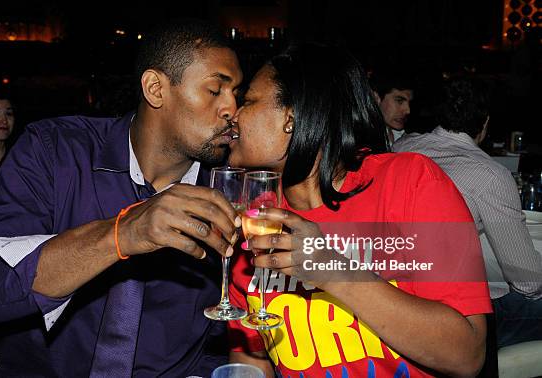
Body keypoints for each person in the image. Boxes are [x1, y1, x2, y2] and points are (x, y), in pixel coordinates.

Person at [0, 18, 243, 376]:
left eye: (237, 93)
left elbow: (224, 338)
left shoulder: (229, 191)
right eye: (215, 90)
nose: (231, 109)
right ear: (155, 89)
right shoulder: (55, 152)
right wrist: (120, 234)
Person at [226, 43, 491, 377]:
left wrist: (332, 270)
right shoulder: (256, 220)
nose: (232, 113)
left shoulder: (407, 181)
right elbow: (252, 360)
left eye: (248, 100)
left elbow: (466, 355)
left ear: (293, 117)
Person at [394, 76, 542, 348]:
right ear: (485, 123)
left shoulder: (401, 148)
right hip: (455, 317)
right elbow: (527, 282)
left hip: (401, 297)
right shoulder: (489, 175)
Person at [369, 67, 415, 147]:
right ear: (376, 98)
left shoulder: (409, 138)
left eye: (409, 103)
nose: (408, 110)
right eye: (399, 101)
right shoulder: (363, 143)